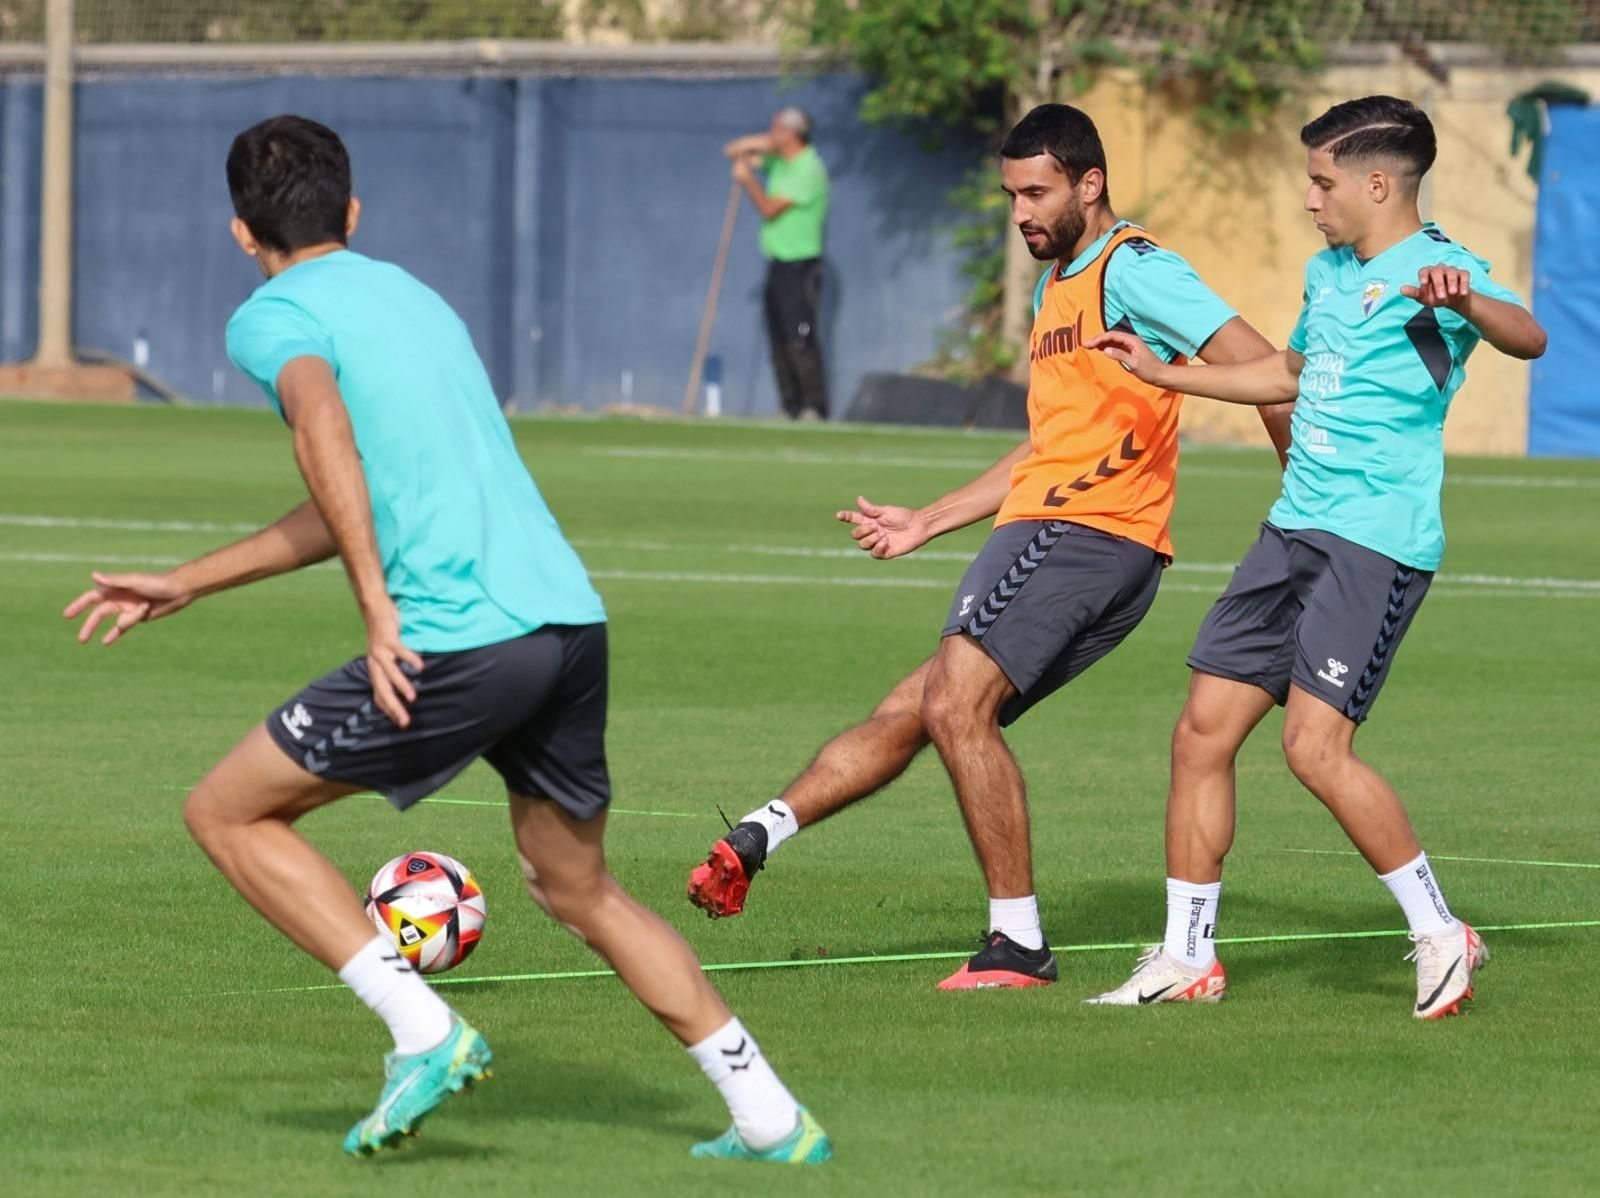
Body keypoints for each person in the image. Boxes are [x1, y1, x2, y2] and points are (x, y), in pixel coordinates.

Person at [61, 115, 831, 1165]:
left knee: (228, 812)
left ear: (243, 233)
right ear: (356, 213)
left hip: (459, 640)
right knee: (579, 889)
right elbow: (359, 491)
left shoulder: (271, 314)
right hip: (565, 622)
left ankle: (421, 1027)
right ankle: (772, 1116)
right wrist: (190, 581)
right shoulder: (416, 299)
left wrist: (379, 611)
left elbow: (322, 432)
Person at [687, 103, 1293, 990]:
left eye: (1038, 192)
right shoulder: (1057, 286)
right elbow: (1046, 449)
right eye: (1012, 195)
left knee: (956, 704)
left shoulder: (1134, 270)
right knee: (928, 704)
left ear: (1090, 184)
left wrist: (1302, 516)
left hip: (1082, 534)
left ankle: (1016, 944)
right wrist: (929, 519)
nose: (1021, 213)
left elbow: (1271, 370)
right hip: (1074, 533)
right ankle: (760, 834)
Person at [1082, 96, 1546, 1017]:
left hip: (1374, 544)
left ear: (1380, 184)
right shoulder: (1329, 272)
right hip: (1290, 530)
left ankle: (1439, 931)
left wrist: (1471, 302)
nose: (1309, 198)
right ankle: (1188, 958)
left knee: (1313, 748)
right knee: (1200, 733)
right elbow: (1287, 375)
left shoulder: (1438, 267)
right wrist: (1162, 369)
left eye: (1322, 181)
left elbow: (1527, 336)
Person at [724, 108, 830, 420]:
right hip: (778, 264)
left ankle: (814, 406)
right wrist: (761, 143)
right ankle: (789, 404)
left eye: (776, 128)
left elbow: (770, 209)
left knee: (800, 336)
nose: (770, 133)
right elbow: (732, 151)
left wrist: (748, 182)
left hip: (801, 266)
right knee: (779, 337)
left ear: (792, 133)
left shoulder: (808, 168)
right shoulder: (781, 163)